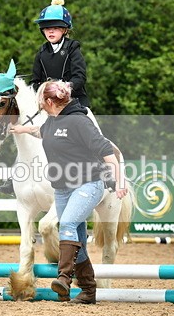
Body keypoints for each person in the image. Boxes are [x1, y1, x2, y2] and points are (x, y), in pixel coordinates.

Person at [11, 80, 127, 304]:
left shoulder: (79, 121)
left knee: (67, 225)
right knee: (78, 242)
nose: (39, 107)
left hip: (89, 183)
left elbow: (106, 151)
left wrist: (120, 181)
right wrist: (21, 129)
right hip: (63, 188)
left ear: (48, 102)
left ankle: (64, 277)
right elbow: (39, 131)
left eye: (40, 103)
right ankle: (88, 291)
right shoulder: (52, 121)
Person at [0, 0, 90, 195]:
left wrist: (63, 90)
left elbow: (80, 77)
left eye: (55, 27)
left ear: (65, 29)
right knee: (27, 129)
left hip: (74, 103)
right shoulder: (42, 53)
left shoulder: (73, 49)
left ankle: (102, 170)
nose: (50, 31)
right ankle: (16, 175)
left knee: (88, 125)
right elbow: (36, 81)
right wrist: (45, 93)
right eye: (47, 28)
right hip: (48, 104)